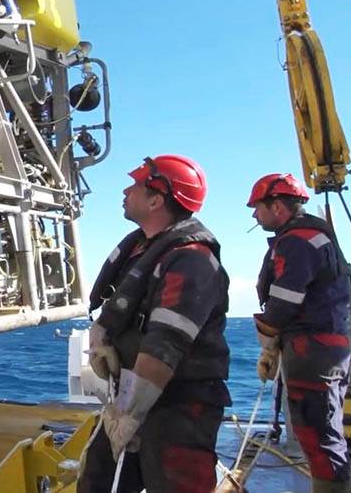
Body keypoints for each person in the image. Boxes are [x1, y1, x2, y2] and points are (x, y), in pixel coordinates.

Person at [79, 155, 231, 493]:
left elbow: (165, 345)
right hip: (131, 397)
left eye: (134, 185)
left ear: (155, 200)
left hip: (177, 406)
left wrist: (130, 416)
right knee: (97, 481)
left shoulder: (192, 261)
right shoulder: (142, 250)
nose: (125, 191)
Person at [248, 173, 351, 492]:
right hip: (325, 345)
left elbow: (285, 299)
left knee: (317, 434)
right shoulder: (313, 236)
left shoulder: (297, 240)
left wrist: (268, 342)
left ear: (277, 206)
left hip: (311, 348)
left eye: (257, 207)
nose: (254, 215)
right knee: (323, 431)